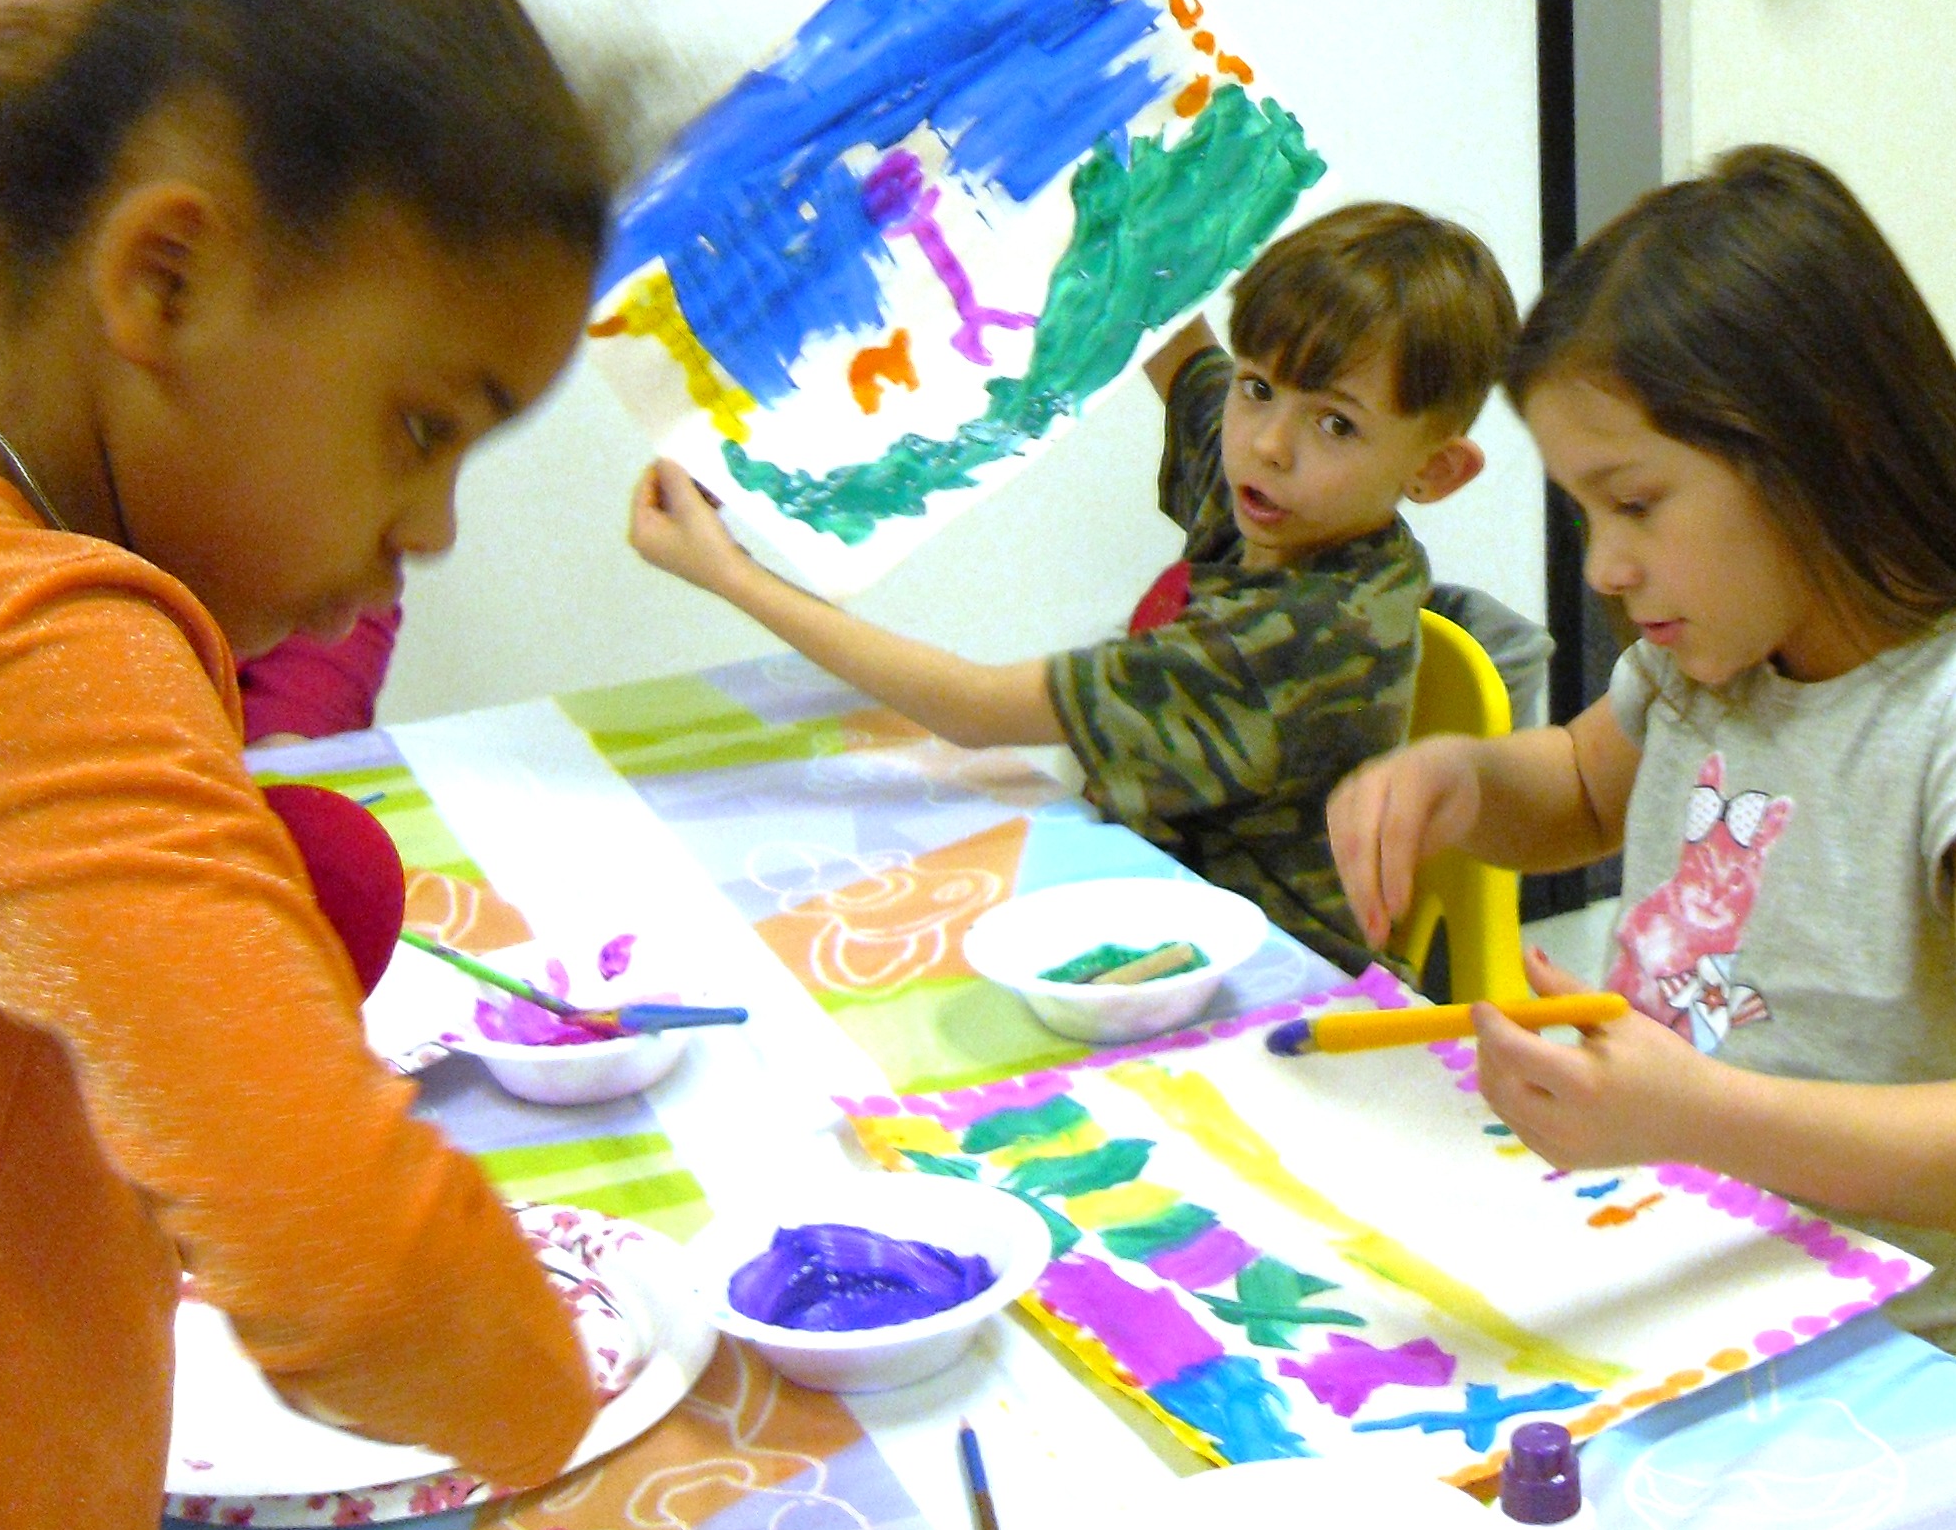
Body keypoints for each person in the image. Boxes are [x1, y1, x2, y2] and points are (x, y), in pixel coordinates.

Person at [0, 0, 609, 1530]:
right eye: (419, 424)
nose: (437, 526)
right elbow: (356, 1270)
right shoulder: (43, 641)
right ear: (169, 272)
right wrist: (559, 1404)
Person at [1327, 146, 1956, 1392]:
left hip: (1880, 1360)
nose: (1603, 565)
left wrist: (1693, 1112)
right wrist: (1465, 783)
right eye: (1585, 514)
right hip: (1669, 1261)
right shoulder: (1708, 661)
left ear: (1824, 448)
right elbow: (1589, 792)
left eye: (1637, 504)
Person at [631, 200, 1519, 974]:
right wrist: (1108, 168)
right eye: (1259, 388)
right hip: (1145, 899)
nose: (1269, 443)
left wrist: (730, 575)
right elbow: (1173, 340)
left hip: (1244, 988)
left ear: (1436, 472)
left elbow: (972, 709)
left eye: (1336, 422)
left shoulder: (1303, 633)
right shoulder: (1293, 499)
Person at [0, 0, 399, 742]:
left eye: (97, 40)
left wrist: (286, 741)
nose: (62, 86)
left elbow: (330, 517)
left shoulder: (183, 253)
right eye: (9, 38)